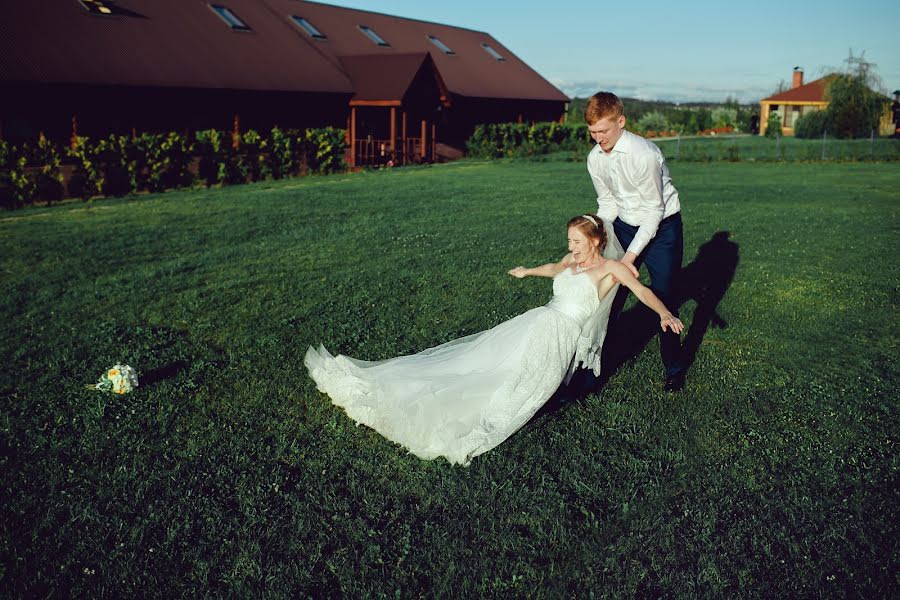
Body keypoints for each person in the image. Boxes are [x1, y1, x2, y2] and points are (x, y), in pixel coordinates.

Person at [304, 215, 683, 466]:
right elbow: (555, 268)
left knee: (522, 385)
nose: (572, 246)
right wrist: (528, 271)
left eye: (577, 241)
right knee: (486, 365)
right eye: (569, 240)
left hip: (561, 335)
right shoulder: (573, 261)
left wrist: (664, 312)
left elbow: (641, 290)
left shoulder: (610, 269)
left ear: (596, 240)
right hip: (537, 321)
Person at [584, 91, 686, 392]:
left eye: (604, 130)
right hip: (624, 225)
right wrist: (593, 235)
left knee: (664, 298)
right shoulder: (595, 159)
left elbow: (654, 210)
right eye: (593, 133)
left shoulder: (644, 154)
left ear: (621, 121)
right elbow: (608, 204)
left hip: (663, 229)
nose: (598, 138)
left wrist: (629, 258)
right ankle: (592, 368)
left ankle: (674, 368)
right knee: (608, 296)